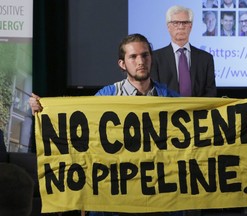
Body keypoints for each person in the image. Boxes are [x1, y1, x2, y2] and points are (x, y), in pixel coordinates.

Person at [29, 33, 182, 216]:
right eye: (133, 56)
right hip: (116, 199)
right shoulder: (105, 97)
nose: (140, 61)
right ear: (122, 64)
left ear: (151, 58)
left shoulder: (171, 99)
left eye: (145, 55)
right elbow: (83, 139)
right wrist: (43, 109)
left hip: (159, 198)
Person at [151, 5, 216, 98]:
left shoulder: (206, 58)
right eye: (176, 23)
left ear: (190, 26)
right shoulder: (155, 58)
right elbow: (154, 92)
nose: (181, 27)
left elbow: (211, 93)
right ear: (168, 27)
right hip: (167, 110)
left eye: (185, 22)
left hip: (198, 111)